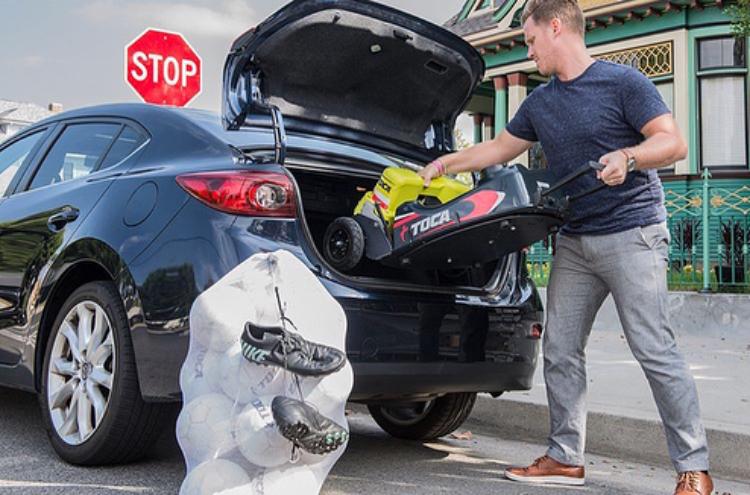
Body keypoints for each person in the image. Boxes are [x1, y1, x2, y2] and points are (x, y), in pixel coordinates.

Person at [418, 0, 712, 493]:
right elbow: (497, 149)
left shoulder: (622, 83)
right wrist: (446, 164)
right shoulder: (540, 102)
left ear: (556, 27)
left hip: (632, 233)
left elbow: (673, 142)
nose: (529, 50)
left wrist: (629, 156)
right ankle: (564, 457)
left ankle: (695, 469)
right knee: (559, 350)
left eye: (531, 40)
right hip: (576, 241)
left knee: (654, 350)